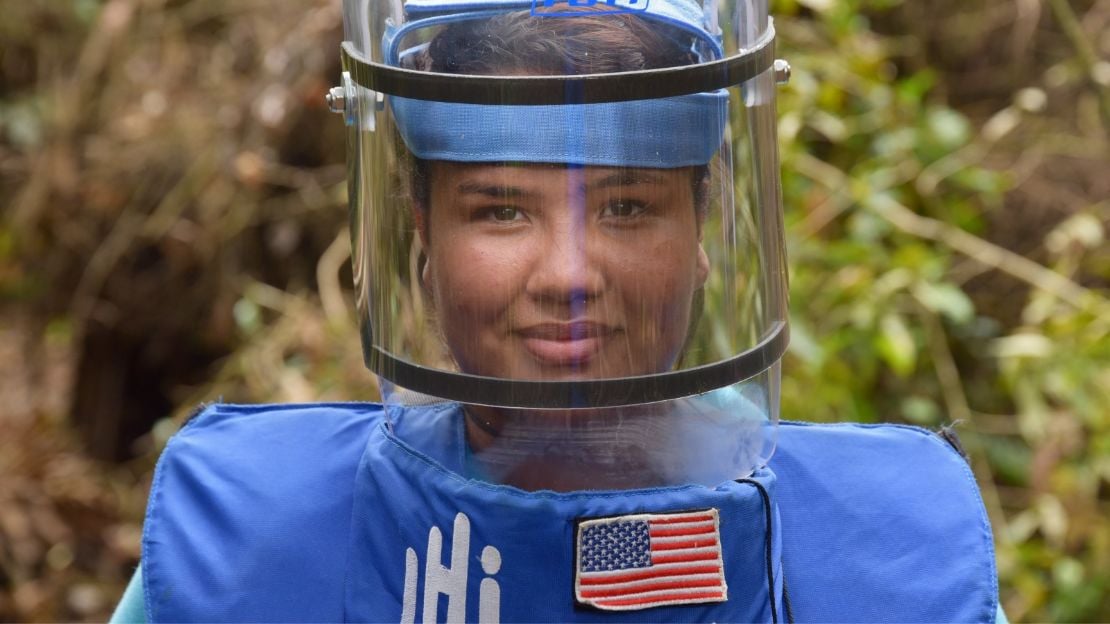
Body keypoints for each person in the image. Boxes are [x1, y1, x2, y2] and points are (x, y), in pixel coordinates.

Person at [111, 1, 1004, 621]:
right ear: (421, 238)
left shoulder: (884, 561)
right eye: (501, 209)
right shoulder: (251, 547)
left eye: (626, 207)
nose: (568, 273)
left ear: (702, 231)